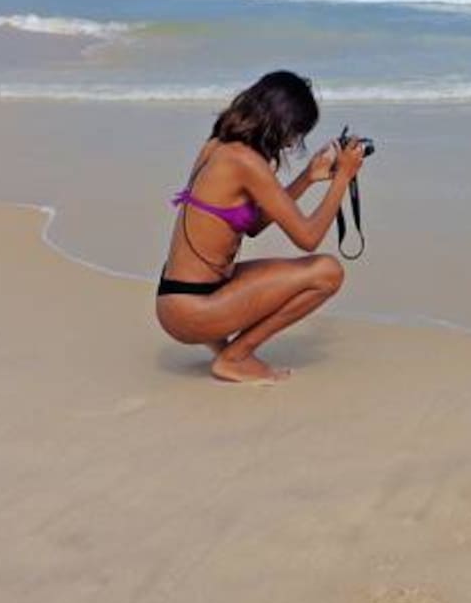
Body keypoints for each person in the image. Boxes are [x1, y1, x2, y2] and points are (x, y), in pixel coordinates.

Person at [155, 70, 368, 383]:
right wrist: (342, 178)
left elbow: (252, 225)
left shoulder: (218, 146)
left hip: (180, 299)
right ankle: (236, 357)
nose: (294, 142)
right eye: (296, 132)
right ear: (282, 121)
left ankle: (229, 350)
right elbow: (308, 238)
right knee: (327, 272)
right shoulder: (246, 162)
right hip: (192, 310)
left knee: (315, 269)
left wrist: (309, 177)